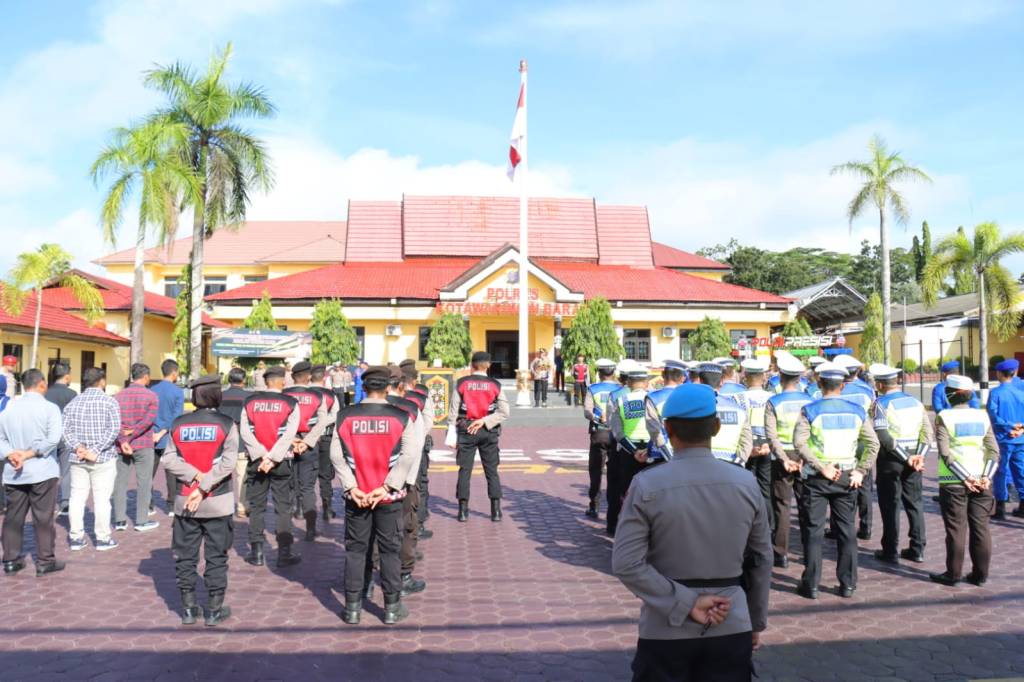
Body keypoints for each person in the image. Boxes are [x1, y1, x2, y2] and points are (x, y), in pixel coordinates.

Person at [612, 383, 772, 681]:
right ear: (716, 427)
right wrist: (755, 621)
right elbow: (761, 559)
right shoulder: (746, 483)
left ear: (668, 428)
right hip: (729, 618)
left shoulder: (647, 484)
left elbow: (626, 563)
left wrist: (686, 603)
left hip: (665, 627)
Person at [332, 366, 420, 625]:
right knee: (390, 550)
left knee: (356, 550)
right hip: (388, 497)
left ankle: (352, 608)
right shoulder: (401, 416)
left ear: (364, 387)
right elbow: (409, 454)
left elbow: (336, 455)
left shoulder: (344, 416)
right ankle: (392, 608)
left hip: (357, 496)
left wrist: (351, 487)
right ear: (387, 388)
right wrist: (388, 487)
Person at [793, 361, 879, 599]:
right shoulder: (857, 411)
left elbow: (799, 443)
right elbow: (873, 444)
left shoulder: (809, 410)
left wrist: (821, 466)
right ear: (842, 385)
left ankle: (811, 585)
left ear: (820, 384)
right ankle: (848, 584)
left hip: (817, 478)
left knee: (814, 532)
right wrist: (861, 470)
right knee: (847, 531)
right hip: (847, 477)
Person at [160, 374, 238, 626]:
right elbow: (228, 463)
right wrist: (204, 486)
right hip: (217, 501)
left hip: (185, 501)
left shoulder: (179, 424)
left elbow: (168, 459)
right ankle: (214, 610)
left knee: (186, 557)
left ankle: (188, 609)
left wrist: (194, 478)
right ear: (217, 395)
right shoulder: (227, 424)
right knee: (217, 556)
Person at [929, 375, 1000, 587]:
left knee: (956, 530)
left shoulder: (944, 417)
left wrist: (965, 477)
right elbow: (993, 451)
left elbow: (945, 453)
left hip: (954, 482)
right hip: (981, 481)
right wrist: (986, 477)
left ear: (950, 394)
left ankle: (953, 574)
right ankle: (980, 575)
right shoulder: (982, 416)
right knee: (981, 528)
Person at [869, 363, 933, 566]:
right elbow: (927, 433)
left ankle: (890, 549)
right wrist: (919, 456)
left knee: (890, 505)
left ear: (880, 384)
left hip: (892, 461)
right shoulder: (915, 402)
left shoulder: (880, 404)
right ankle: (918, 548)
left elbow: (883, 436)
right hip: (915, 460)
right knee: (915, 504)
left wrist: (906, 457)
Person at [1, 369, 64, 576]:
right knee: (43, 517)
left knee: (13, 516)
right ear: (42, 384)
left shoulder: (8, 408)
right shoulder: (50, 408)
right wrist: (28, 454)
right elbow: (53, 439)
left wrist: (11, 454)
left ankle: (11, 560)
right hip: (42, 470)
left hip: (14, 470)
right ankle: (45, 560)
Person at [240, 365, 302, 568]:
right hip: (282, 461)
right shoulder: (291, 403)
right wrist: (273, 458)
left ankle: (257, 553)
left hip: (256, 461)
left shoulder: (250, 402)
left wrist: (262, 456)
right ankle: (284, 553)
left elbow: (245, 432)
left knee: (257, 507)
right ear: (282, 381)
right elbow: (289, 434)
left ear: (266, 381)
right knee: (283, 507)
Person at [63, 367, 122, 551]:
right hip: (103, 458)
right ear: (102, 381)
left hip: (78, 458)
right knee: (102, 499)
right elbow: (113, 429)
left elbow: (65, 430)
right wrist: (95, 450)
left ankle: (76, 538)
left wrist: (78, 447)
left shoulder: (73, 403)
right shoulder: (110, 402)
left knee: (76, 498)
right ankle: (103, 538)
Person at [765, 354, 813, 568]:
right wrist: (804, 458)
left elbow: (771, 435)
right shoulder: (810, 401)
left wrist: (784, 458)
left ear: (781, 377)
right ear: (799, 378)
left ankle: (780, 553)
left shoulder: (774, 402)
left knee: (782, 505)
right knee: (807, 504)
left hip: (782, 456)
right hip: (805, 458)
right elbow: (813, 434)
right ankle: (809, 549)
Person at [449, 352, 508, 522]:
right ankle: (496, 511)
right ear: (488, 365)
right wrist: (484, 421)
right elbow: (504, 412)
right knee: (492, 471)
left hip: (466, 429)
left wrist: (451, 432)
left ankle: (462, 511)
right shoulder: (495, 384)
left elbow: (453, 410)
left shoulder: (462, 383)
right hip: (488, 430)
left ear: (471, 365)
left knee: (464, 470)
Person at [283, 361, 330, 541]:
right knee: (308, 487)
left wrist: (291, 440)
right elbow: (322, 422)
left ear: (292, 376)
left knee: (287, 486)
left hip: (287, 444)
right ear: (308, 376)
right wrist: (308, 442)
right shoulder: (317, 395)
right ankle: (310, 529)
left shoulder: (284, 395)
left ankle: (289, 525)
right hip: (308, 444)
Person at [112, 363, 160, 533]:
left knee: (119, 482)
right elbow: (148, 421)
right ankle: (141, 520)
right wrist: (133, 433)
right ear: (146, 377)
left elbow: (114, 421)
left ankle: (119, 521)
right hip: (143, 444)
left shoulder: (117, 396)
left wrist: (123, 438)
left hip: (121, 446)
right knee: (144, 482)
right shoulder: (152, 396)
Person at [607, 361, 652, 536]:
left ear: (629, 383)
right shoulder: (654, 399)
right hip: (651, 452)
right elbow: (659, 429)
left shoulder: (621, 400)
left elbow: (617, 432)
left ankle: (625, 529)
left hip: (628, 453)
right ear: (646, 383)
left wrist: (634, 451)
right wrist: (648, 449)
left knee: (626, 492)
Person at [835, 354, 876, 541]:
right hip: (863, 440)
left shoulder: (838, 389)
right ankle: (866, 527)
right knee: (865, 485)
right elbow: (873, 413)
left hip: (843, 441)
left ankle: (842, 525)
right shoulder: (867, 390)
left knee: (840, 483)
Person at [399, 358, 435, 539]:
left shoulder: (392, 396)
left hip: (396, 448)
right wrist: (417, 438)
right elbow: (429, 422)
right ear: (414, 380)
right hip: (417, 447)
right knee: (419, 484)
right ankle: (418, 523)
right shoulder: (422, 396)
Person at [692, 363, 753, 467]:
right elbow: (747, 442)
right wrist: (739, 463)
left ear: (700, 381)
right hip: (730, 465)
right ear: (721, 382)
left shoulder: (692, 408)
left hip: (698, 464)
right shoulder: (738, 409)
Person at [987, 359, 1024, 520]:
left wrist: (1010, 426)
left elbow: (993, 416)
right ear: (1014, 373)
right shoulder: (1021, 393)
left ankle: (1000, 507)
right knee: (1021, 471)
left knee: (1001, 472)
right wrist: (1020, 429)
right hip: (1020, 438)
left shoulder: (995, 393)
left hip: (1003, 438)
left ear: (999, 373)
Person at [583, 359, 619, 521]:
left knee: (596, 471)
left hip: (599, 434)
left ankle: (594, 506)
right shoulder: (621, 389)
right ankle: (613, 507)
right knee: (614, 472)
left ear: (599, 373)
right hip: (616, 435)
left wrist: (598, 418)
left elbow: (587, 411)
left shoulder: (593, 388)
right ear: (613, 373)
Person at [740, 359, 774, 525]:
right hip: (767, 445)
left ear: (745, 377)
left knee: (746, 488)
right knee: (765, 488)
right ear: (763, 377)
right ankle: (768, 526)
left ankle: (749, 524)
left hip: (748, 446)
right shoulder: (772, 398)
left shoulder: (739, 398)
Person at [150, 359, 185, 517]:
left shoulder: (152, 390)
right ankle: (171, 506)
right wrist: (163, 432)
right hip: (169, 437)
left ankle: (148, 505)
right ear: (174, 373)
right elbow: (177, 417)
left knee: (148, 473)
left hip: (152, 437)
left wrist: (155, 433)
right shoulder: (177, 392)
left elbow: (149, 415)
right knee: (171, 473)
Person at [43, 363, 76, 516]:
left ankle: (46, 502)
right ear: (67, 376)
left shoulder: (45, 393)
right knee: (66, 470)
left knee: (47, 470)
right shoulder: (72, 394)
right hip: (66, 436)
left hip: (48, 436)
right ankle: (65, 502)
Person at [218, 368, 250, 518]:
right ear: (243, 380)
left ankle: (218, 506)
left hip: (223, 441)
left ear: (229, 380)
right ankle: (242, 507)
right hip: (242, 441)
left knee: (220, 475)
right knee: (242, 476)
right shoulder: (249, 397)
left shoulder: (220, 396)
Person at [310, 364, 340, 522]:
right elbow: (336, 415)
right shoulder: (330, 395)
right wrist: (322, 423)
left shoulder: (304, 393)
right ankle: (327, 509)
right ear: (323, 379)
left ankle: (301, 508)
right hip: (326, 437)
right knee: (325, 475)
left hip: (305, 438)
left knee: (303, 475)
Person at [643, 359, 687, 464]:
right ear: (683, 378)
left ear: (663, 375)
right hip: (685, 452)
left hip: (660, 453)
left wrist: (668, 454)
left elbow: (653, 429)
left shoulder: (653, 397)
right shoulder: (690, 396)